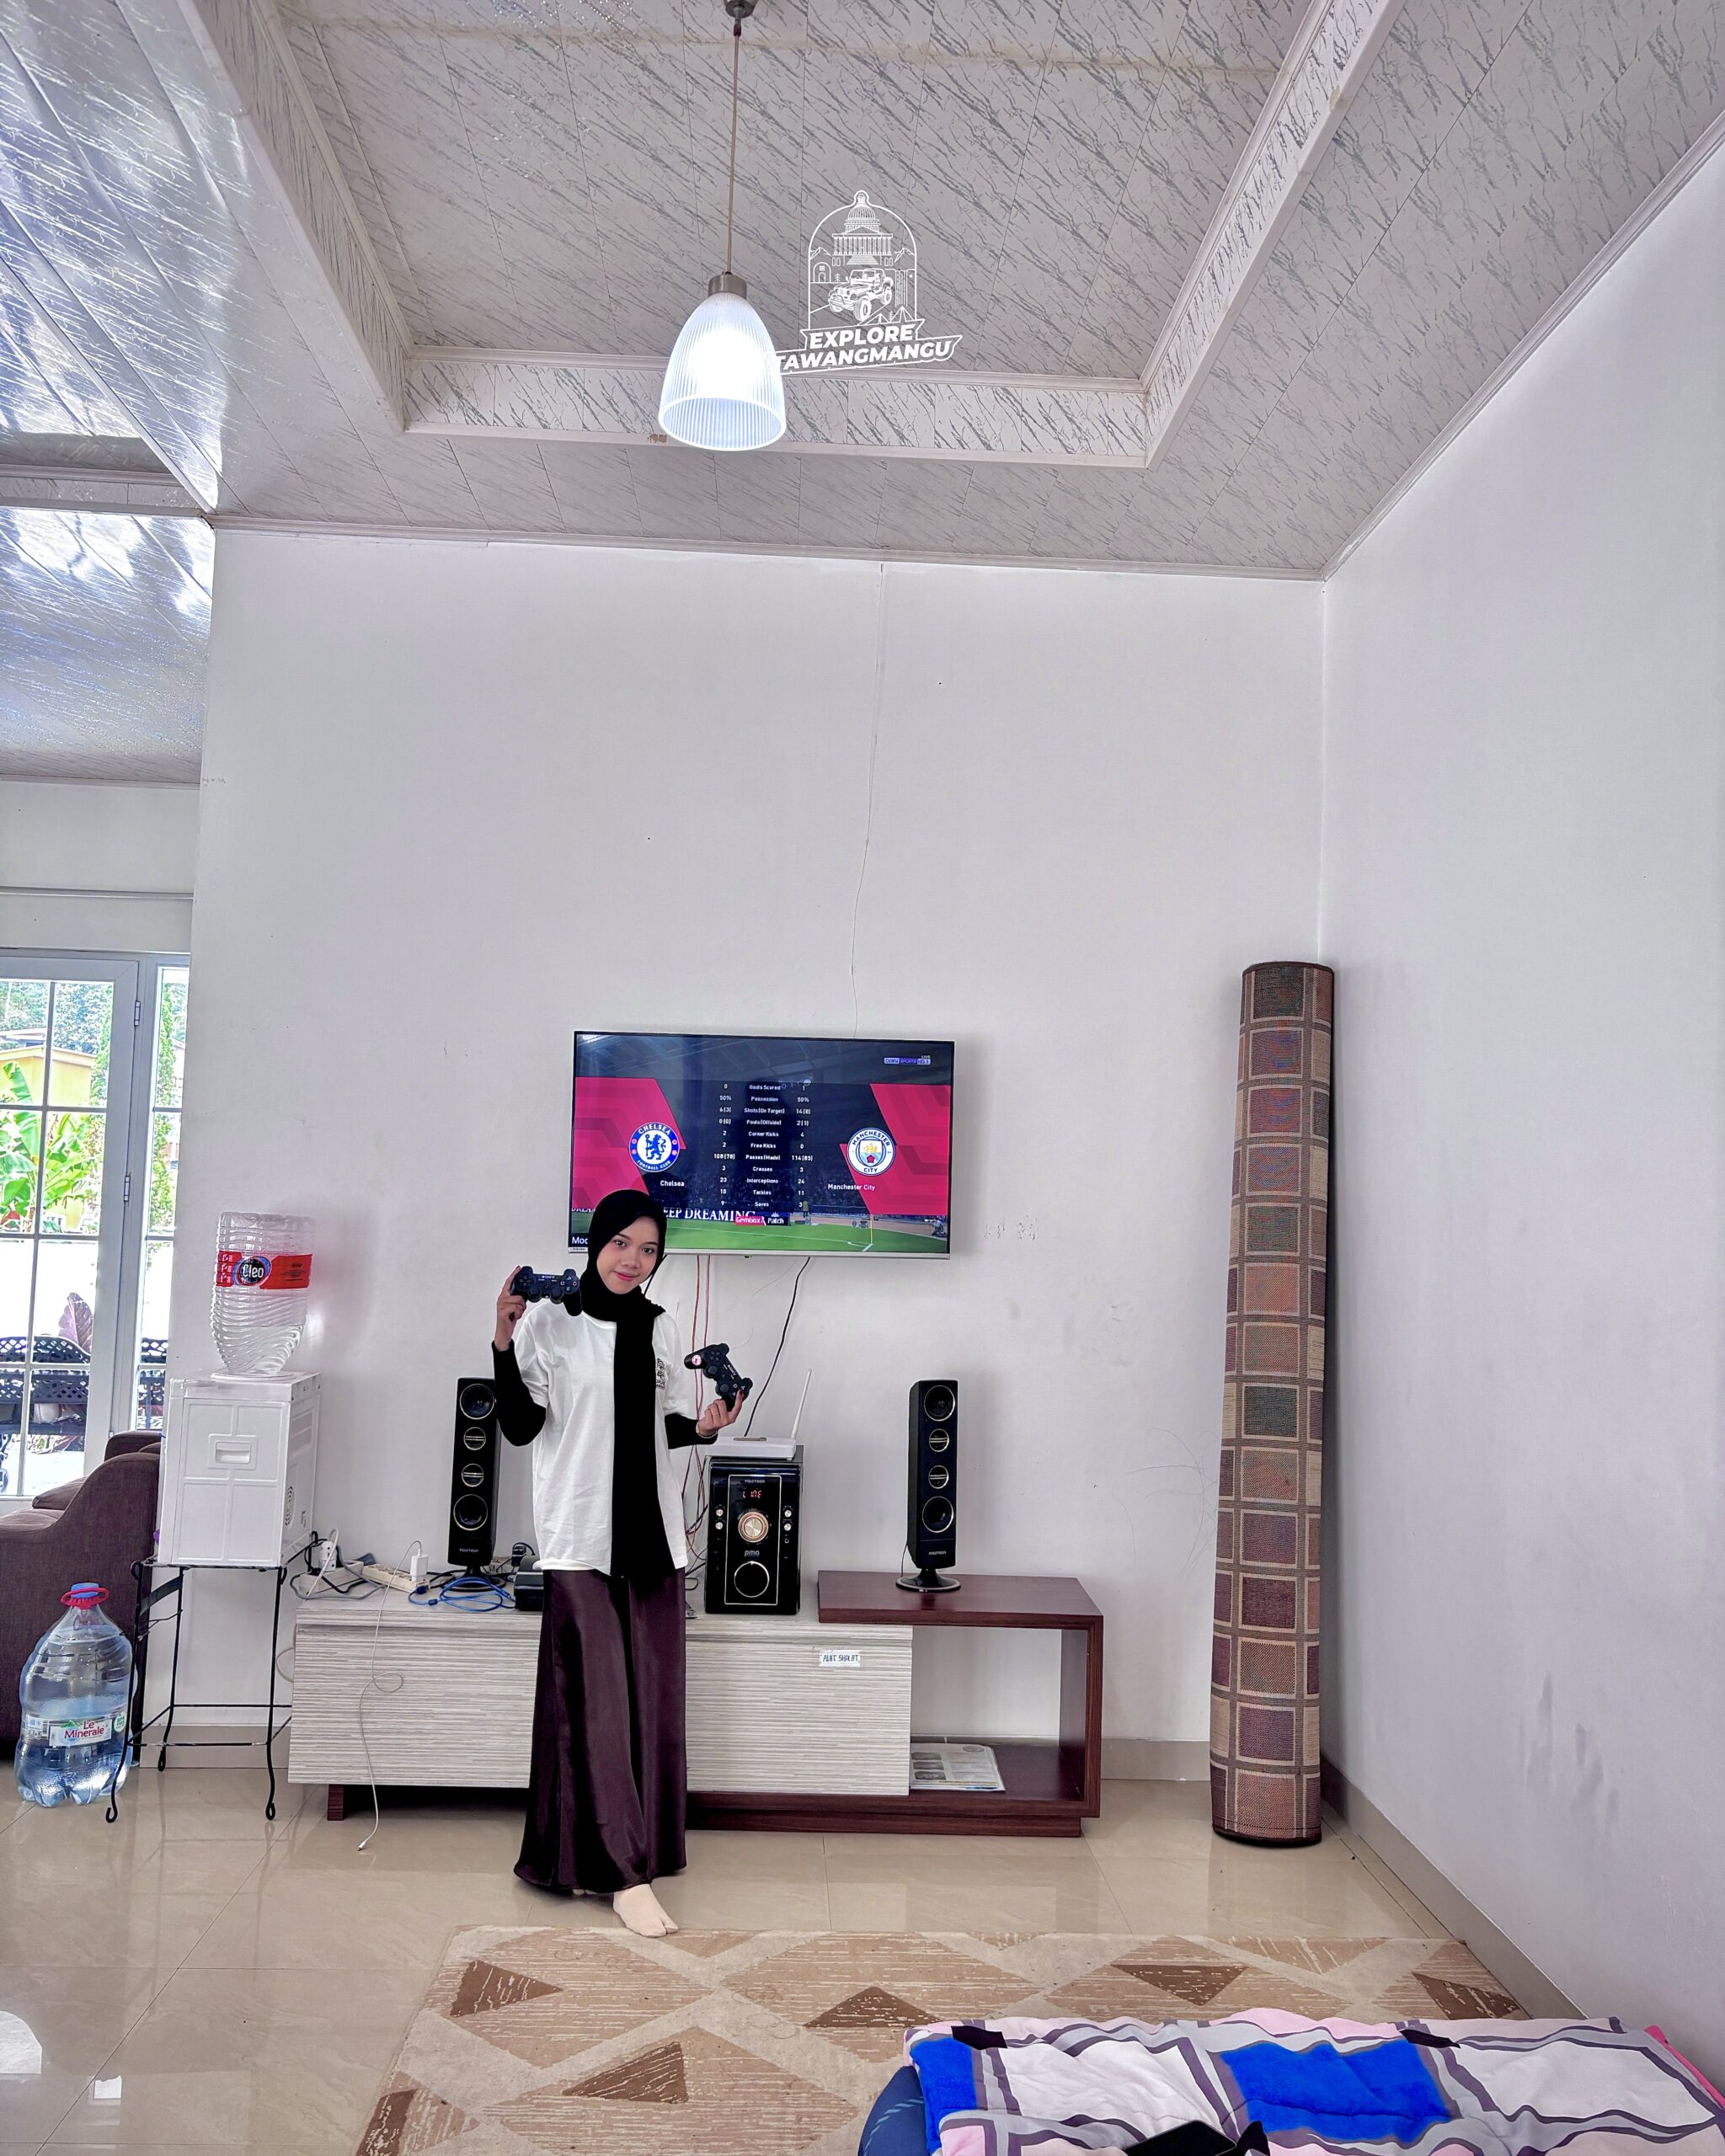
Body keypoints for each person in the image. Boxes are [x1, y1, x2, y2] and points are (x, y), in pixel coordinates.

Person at [491, 1188, 744, 1936]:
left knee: (649, 1702)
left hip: (651, 1534)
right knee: (596, 1707)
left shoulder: (660, 1327)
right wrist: (502, 1341)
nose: (633, 1260)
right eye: (621, 1244)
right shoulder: (550, 1322)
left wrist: (703, 1427)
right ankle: (624, 1876)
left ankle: (611, 1855)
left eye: (649, 1249)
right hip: (579, 1534)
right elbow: (521, 1425)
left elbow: (653, 1425)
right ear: (597, 1241)